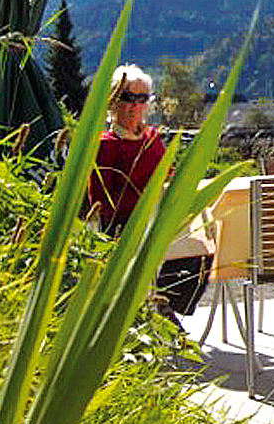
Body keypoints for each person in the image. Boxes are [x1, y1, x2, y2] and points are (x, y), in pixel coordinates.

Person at [86, 65, 208, 316]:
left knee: (201, 251)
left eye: (142, 98)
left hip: (158, 224)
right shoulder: (105, 145)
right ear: (113, 101)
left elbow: (169, 177)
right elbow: (99, 202)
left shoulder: (152, 140)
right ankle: (153, 311)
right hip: (124, 229)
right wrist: (143, 201)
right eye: (128, 97)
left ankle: (165, 307)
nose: (135, 105)